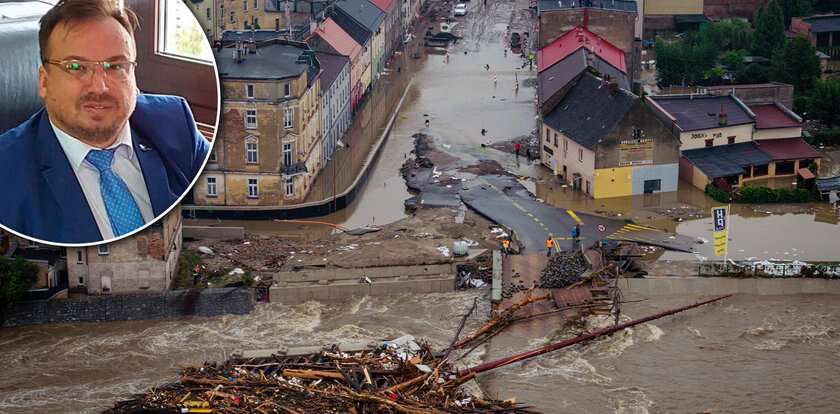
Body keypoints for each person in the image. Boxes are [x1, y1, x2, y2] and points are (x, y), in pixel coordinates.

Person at [0, 0, 210, 244]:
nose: (99, 86)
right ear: (44, 82)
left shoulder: (174, 122)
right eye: (76, 66)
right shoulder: (7, 174)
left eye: (115, 66)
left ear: (133, 74)